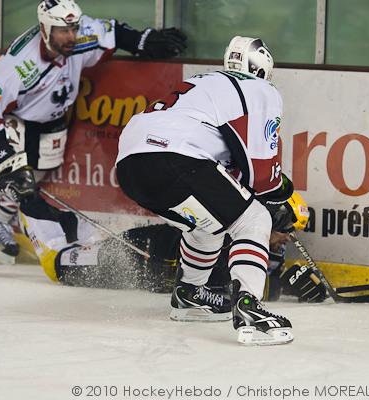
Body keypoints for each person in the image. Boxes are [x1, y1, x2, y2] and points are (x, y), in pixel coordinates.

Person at [0, 0, 187, 270]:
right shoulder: (19, 66)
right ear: (45, 29)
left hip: (51, 122)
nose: (72, 36)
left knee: (30, 180)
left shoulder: (80, 33)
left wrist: (143, 41)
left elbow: (114, 31)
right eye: (63, 31)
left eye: (73, 29)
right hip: (15, 121)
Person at [115, 36, 295, 345]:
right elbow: (262, 177)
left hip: (130, 164)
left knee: (208, 223)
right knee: (254, 219)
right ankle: (250, 308)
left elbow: (228, 171)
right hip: (175, 158)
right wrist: (281, 198)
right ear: (263, 70)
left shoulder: (205, 82)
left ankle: (190, 294)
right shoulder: (261, 89)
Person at [17, 190, 327, 306]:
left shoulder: (268, 245)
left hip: (153, 261)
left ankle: (72, 225)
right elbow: (226, 282)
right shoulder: (235, 229)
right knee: (57, 265)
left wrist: (290, 281)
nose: (289, 238)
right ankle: (25, 202)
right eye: (286, 229)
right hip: (138, 252)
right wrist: (281, 286)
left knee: (84, 242)